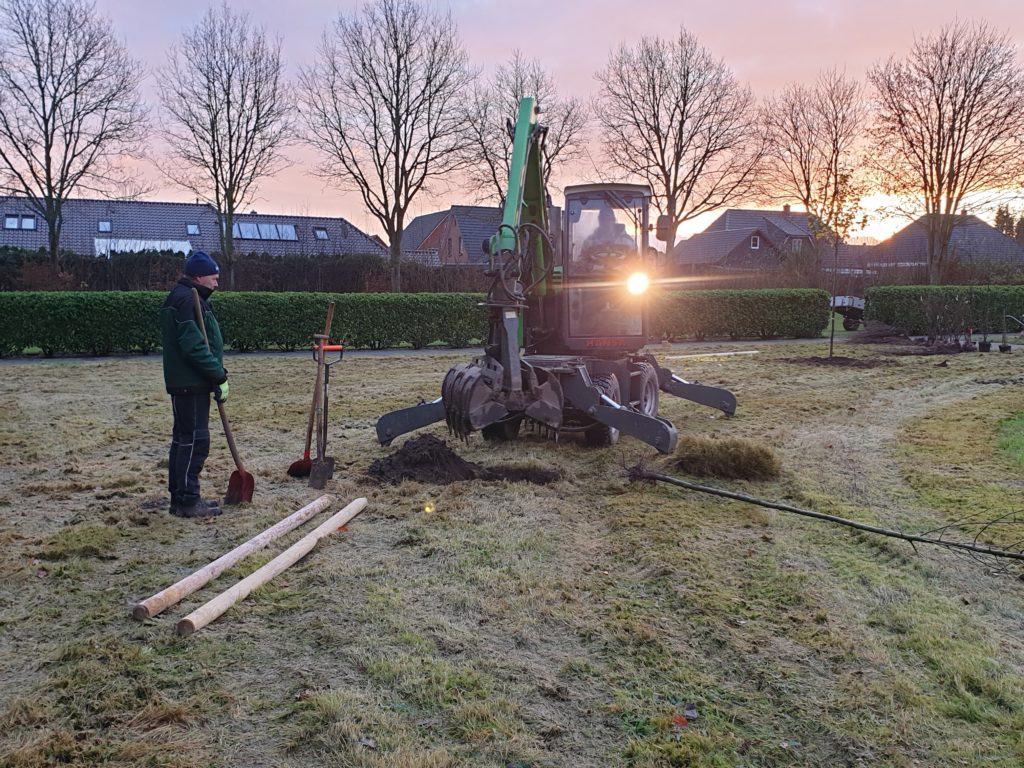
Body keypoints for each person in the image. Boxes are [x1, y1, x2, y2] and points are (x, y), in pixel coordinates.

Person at [159, 251, 229, 518]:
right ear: (199, 276)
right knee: (194, 441)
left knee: (183, 440)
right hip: (190, 383)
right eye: (214, 277)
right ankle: (188, 500)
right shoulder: (188, 300)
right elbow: (194, 347)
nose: (216, 283)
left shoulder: (189, 297)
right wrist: (218, 375)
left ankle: (180, 498)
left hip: (189, 382)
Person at [578, 205, 635, 271]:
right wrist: (593, 267)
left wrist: (622, 267)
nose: (606, 222)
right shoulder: (589, 242)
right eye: (603, 219)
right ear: (599, 221)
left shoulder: (628, 242)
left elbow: (635, 261)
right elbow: (581, 262)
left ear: (613, 220)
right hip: (593, 278)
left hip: (623, 278)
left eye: (608, 219)